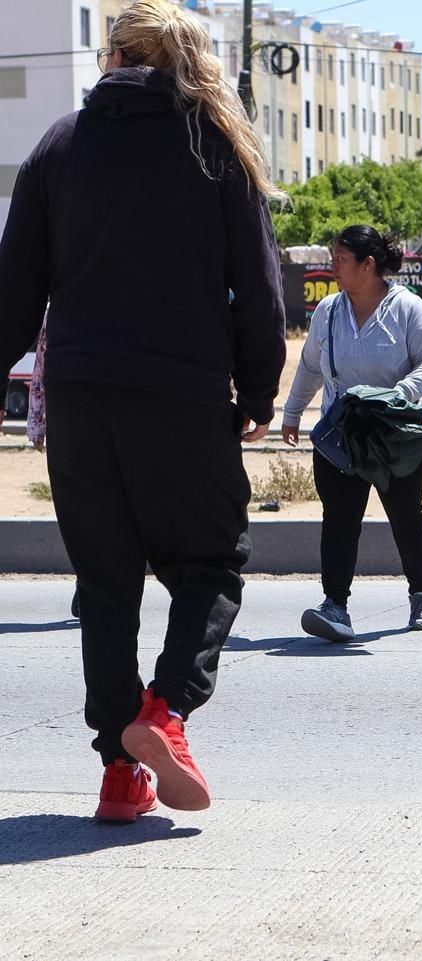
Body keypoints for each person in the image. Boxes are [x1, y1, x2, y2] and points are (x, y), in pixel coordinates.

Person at [0, 0, 286, 822]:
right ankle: (164, 713)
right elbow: (260, 295)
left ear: (115, 54)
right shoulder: (215, 146)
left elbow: (14, 297)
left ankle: (119, 775)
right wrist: (258, 393)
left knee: (106, 584)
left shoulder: (58, 146)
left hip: (80, 402)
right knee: (212, 560)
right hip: (181, 393)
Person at [282, 225, 422, 641]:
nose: (332, 267)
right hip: (340, 436)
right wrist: (293, 412)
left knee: (406, 515)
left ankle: (420, 591)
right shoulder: (329, 311)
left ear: (368, 265)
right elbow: (310, 366)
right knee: (339, 520)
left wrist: (396, 395)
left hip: (393, 435)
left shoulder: (406, 307)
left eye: (340, 259)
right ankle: (335, 605)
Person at [25, 321, 81, 620]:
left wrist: (37, 423)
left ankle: (89, 581)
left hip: (73, 421)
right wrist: (36, 422)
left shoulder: (66, 299)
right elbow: (41, 366)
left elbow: (41, 367)